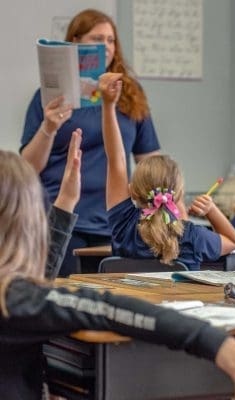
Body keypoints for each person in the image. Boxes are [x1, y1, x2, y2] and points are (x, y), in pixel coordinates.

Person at [0, 131, 235, 400]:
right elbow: (109, 309)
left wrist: (66, 203)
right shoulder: (17, 300)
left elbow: (33, 284)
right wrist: (215, 342)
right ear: (30, 225)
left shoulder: (19, 299)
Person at [20, 9, 161, 277]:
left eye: (111, 40)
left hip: (115, 222)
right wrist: (48, 128)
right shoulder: (49, 96)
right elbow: (27, 168)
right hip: (60, 220)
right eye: (98, 39)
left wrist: (164, 204)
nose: (106, 47)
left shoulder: (130, 94)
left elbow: (149, 160)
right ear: (75, 42)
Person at [99, 73, 235, 269]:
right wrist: (211, 211)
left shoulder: (124, 225)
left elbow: (116, 160)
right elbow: (232, 241)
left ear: (132, 190)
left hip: (126, 300)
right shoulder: (192, 235)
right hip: (183, 301)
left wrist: (108, 106)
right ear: (179, 194)